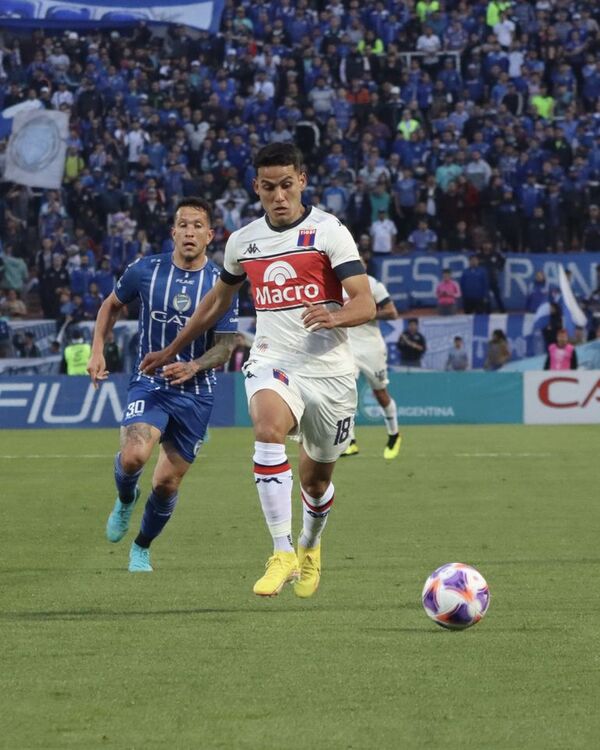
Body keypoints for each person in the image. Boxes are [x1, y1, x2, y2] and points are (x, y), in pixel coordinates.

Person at [140, 143, 375, 598]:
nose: (279, 196)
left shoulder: (330, 232)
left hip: (330, 372)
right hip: (273, 359)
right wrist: (172, 348)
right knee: (267, 428)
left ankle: (309, 545)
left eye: (287, 185)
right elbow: (214, 305)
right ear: (257, 188)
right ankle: (281, 550)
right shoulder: (244, 242)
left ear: (302, 182)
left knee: (317, 479)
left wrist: (335, 315)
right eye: (269, 188)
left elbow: (364, 302)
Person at [86, 197, 238, 573]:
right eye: (183, 225)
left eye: (197, 226)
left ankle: (141, 546)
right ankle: (125, 499)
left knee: (167, 484)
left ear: (210, 235)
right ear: (173, 231)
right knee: (135, 454)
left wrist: (194, 365)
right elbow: (110, 306)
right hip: (150, 382)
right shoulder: (146, 269)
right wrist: (97, 351)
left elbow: (226, 347)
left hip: (196, 393)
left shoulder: (221, 284)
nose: (189, 232)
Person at [342, 259, 402, 460]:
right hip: (347, 346)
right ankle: (349, 442)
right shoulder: (337, 284)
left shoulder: (373, 285)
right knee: (345, 393)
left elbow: (392, 313)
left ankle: (394, 434)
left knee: (380, 393)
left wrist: (367, 313)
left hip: (371, 348)